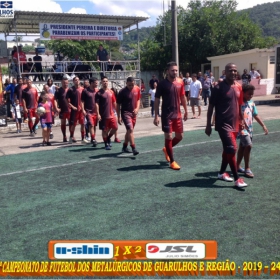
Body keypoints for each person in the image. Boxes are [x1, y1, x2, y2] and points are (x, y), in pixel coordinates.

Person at [205, 63, 247, 188]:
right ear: (225, 72)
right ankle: (237, 179)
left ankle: (221, 173)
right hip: (223, 124)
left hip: (235, 124)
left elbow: (239, 105)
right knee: (232, 149)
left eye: (235, 70)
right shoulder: (218, 88)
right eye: (230, 70)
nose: (233, 73)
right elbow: (211, 106)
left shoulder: (239, 87)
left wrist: (242, 120)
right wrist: (208, 125)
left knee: (228, 150)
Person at [153, 61, 188, 170]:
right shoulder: (162, 84)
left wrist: (186, 110)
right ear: (168, 71)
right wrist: (156, 115)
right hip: (167, 115)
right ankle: (172, 161)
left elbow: (183, 97)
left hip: (177, 115)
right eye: (173, 70)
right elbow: (157, 100)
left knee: (180, 137)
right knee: (168, 136)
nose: (175, 72)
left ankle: (166, 149)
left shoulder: (181, 82)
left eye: (176, 70)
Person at [236, 84, 268, 178]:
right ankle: (247, 168)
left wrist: (263, 125)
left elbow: (255, 115)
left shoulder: (251, 103)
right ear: (243, 93)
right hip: (242, 129)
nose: (250, 96)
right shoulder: (239, 103)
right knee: (248, 145)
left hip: (249, 129)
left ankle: (237, 166)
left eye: (252, 94)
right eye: (249, 94)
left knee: (242, 147)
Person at [117, 77, 141, 155]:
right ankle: (133, 148)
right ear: (126, 83)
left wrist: (137, 108)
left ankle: (124, 147)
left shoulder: (137, 89)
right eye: (129, 85)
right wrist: (119, 116)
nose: (131, 86)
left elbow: (138, 99)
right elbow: (118, 104)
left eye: (132, 85)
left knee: (129, 131)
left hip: (133, 114)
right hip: (125, 113)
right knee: (130, 130)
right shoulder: (122, 92)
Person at [95, 76, 118, 150]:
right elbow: (96, 104)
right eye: (104, 81)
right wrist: (98, 114)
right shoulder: (99, 93)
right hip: (103, 115)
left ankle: (108, 138)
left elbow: (114, 103)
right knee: (104, 130)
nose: (105, 82)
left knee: (115, 128)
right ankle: (106, 144)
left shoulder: (111, 92)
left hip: (111, 114)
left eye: (106, 81)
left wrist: (118, 113)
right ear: (101, 82)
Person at [66, 76, 89, 144]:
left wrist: (84, 109)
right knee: (73, 124)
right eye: (75, 80)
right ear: (73, 81)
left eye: (78, 80)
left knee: (82, 124)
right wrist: (72, 107)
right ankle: (71, 137)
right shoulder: (70, 90)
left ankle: (83, 138)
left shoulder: (82, 89)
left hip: (81, 110)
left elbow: (85, 100)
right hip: (74, 110)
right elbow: (66, 100)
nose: (77, 81)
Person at [81, 77, 99, 146]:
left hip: (95, 111)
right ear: (91, 83)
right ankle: (93, 139)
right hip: (88, 111)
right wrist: (83, 109)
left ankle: (92, 138)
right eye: (95, 83)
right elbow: (82, 101)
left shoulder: (97, 91)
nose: (97, 84)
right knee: (91, 124)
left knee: (94, 125)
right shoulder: (85, 91)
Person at [54, 77, 70, 142]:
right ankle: (64, 136)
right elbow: (55, 100)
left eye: (66, 83)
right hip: (62, 109)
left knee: (71, 123)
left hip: (70, 109)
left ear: (68, 83)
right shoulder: (58, 91)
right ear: (61, 83)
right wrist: (56, 107)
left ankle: (72, 135)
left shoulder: (70, 90)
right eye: (64, 83)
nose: (65, 84)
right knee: (63, 123)